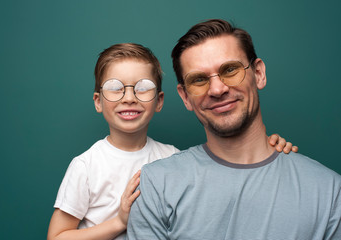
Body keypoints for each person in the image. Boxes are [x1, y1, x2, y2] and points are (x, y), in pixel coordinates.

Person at [47, 43, 295, 240]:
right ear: (98, 101)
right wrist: (120, 222)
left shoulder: (172, 158)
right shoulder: (86, 165)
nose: (129, 98)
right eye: (115, 87)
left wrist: (267, 147)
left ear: (160, 100)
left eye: (143, 87)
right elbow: (57, 237)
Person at [126, 19, 341, 240]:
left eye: (230, 70)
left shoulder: (329, 191)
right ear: (185, 97)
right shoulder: (156, 184)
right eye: (199, 80)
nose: (217, 89)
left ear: (258, 73)